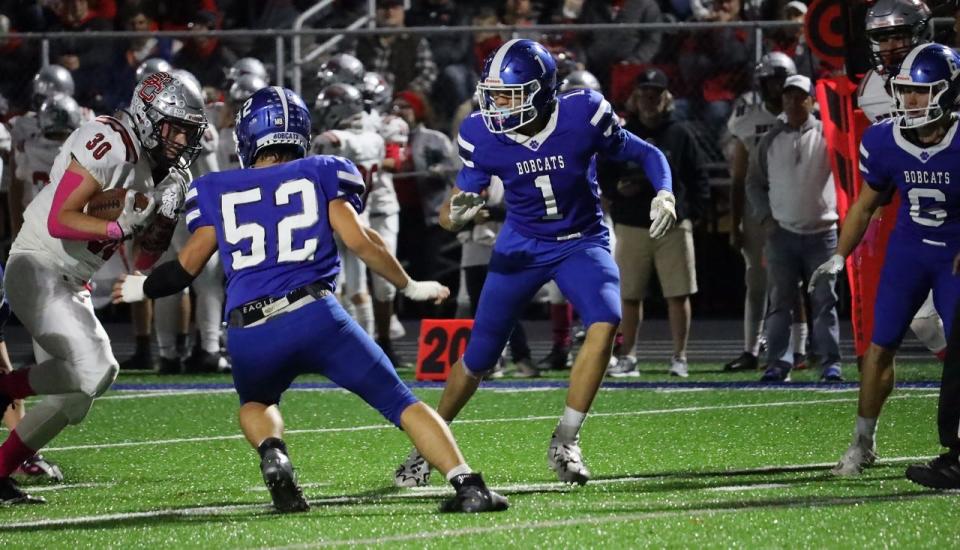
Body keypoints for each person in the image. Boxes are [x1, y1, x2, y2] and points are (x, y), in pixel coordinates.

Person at [112, 86, 509, 514]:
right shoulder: (322, 170)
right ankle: (468, 486)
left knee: (256, 404)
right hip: (315, 315)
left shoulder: (216, 187)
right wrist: (410, 286)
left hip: (250, 330)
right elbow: (361, 240)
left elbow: (186, 267)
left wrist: (141, 286)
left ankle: (274, 453)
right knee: (401, 402)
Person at [393, 39, 674, 487]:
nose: (498, 105)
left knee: (606, 318)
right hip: (521, 245)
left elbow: (647, 153)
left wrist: (665, 191)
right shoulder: (481, 132)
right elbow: (452, 211)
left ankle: (566, 439)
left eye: (510, 94)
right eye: (494, 94)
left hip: (581, 240)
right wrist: (455, 215)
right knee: (479, 357)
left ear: (543, 91)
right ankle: (428, 446)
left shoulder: (583, 113)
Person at [0, 71, 206, 504]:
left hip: (72, 280)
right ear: (149, 118)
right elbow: (60, 218)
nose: (182, 140)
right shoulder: (112, 141)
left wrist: (162, 221)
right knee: (100, 368)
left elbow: (145, 258)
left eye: (189, 132)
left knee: (71, 401)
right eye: (176, 128)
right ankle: (5, 388)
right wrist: (117, 223)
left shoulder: (163, 171)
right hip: (38, 265)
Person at [808, 43, 960, 476]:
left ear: (948, 92)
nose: (911, 101)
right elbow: (863, 204)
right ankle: (862, 442)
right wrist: (840, 254)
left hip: (954, 256)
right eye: (906, 90)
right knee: (879, 346)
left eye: (922, 91)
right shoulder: (883, 139)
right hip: (909, 251)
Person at [602, 68, 710, 379]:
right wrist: (617, 192)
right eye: (645, 93)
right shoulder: (622, 134)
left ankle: (679, 356)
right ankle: (629, 355)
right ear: (636, 98)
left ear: (666, 98)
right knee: (628, 294)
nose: (650, 99)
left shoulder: (680, 134)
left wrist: (690, 212)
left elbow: (697, 177)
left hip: (672, 224)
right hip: (632, 223)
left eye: (655, 93)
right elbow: (605, 174)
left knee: (678, 293)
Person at [855, 0, 946, 360]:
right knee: (923, 320)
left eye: (898, 35)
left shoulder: (948, 67)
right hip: (926, 214)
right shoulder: (873, 93)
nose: (890, 46)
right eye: (882, 37)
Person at [748, 74, 842, 383]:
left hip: (823, 232)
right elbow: (755, 183)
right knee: (780, 303)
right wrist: (766, 218)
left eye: (799, 96)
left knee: (825, 302)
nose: (792, 101)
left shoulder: (829, 135)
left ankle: (830, 362)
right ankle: (778, 362)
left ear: (812, 102)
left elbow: (846, 174)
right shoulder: (769, 140)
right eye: (788, 96)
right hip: (783, 233)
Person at [723, 52, 804, 373]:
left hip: (795, 204)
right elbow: (738, 175)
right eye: (769, 81)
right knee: (755, 283)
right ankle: (750, 349)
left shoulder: (802, 117)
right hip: (759, 207)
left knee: (792, 283)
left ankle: (798, 350)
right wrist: (735, 221)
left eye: (780, 81)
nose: (775, 88)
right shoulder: (749, 117)